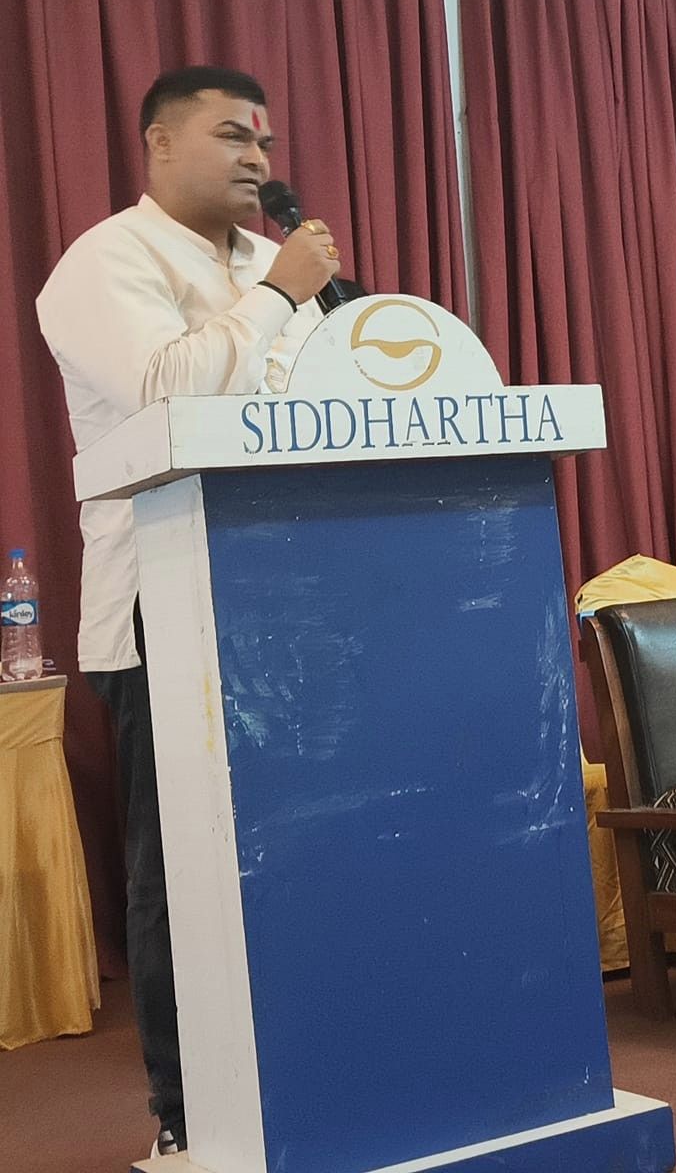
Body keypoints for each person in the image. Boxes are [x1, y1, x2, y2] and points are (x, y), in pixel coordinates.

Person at [36, 66, 337, 1158]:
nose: (258, 157)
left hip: (300, 604)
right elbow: (166, 393)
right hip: (164, 610)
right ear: (159, 145)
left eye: (265, 141)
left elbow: (327, 406)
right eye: (231, 136)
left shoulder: (273, 263)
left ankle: (313, 1076)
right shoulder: (106, 260)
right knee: (182, 877)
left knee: (304, 852)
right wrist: (280, 299)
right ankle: (186, 1118)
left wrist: (297, 299)